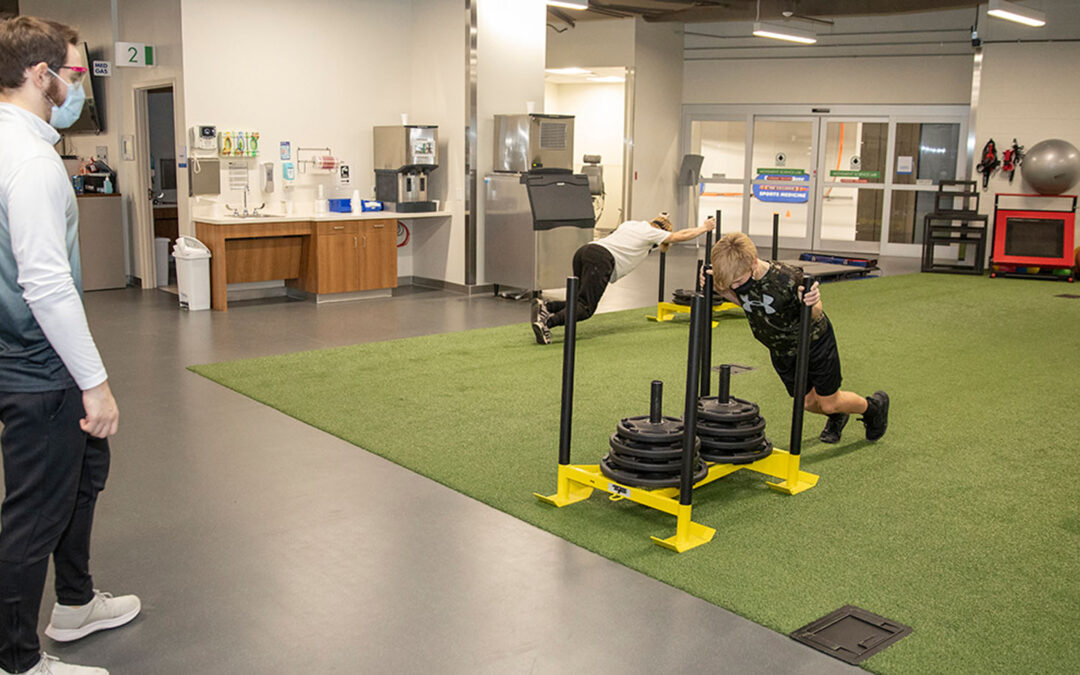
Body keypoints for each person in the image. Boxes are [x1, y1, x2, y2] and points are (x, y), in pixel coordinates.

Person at [0, 16, 140, 675]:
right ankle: (18, 660)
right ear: (39, 75)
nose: (76, 86)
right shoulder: (28, 159)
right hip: (39, 366)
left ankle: (77, 601)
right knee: (34, 513)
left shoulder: (17, 142)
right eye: (73, 73)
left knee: (86, 474)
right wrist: (95, 380)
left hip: (23, 353)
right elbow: (47, 282)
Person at [709, 232, 889, 443]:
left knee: (829, 403)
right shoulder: (733, 279)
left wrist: (812, 302)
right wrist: (716, 286)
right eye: (732, 285)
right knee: (807, 403)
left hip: (814, 343)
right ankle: (838, 415)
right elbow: (748, 303)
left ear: (754, 263)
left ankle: (873, 408)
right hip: (782, 351)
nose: (736, 288)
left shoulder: (787, 278)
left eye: (739, 282)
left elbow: (816, 312)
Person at [531, 214, 715, 344]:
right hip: (601, 260)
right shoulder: (652, 233)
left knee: (579, 297)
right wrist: (704, 228)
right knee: (585, 307)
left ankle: (546, 306)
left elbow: (651, 240)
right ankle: (546, 323)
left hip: (585, 251)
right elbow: (678, 236)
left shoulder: (632, 224)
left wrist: (662, 220)